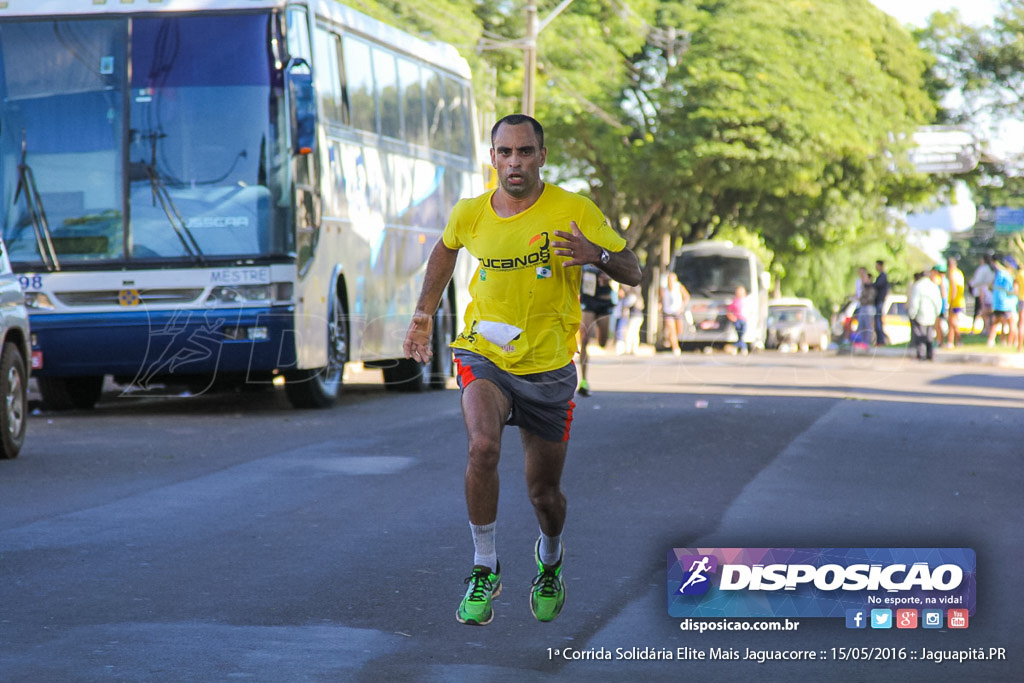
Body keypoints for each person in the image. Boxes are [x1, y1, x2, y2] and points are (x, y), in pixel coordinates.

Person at [402, 114, 641, 626]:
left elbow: (634, 271)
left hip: (549, 366)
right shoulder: (471, 213)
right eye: (505, 152)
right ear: (492, 157)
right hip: (483, 352)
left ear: (542, 156)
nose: (515, 162)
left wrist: (594, 254)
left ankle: (550, 559)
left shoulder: (573, 210)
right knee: (482, 445)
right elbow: (445, 250)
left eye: (525, 152)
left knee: (543, 493)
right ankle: (484, 567)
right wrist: (423, 317)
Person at [577, 264, 615, 396]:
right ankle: (584, 380)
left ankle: (601, 336)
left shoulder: (604, 250)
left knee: (603, 343)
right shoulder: (579, 250)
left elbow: (617, 270)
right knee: (585, 339)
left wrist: (609, 276)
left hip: (604, 299)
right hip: (588, 299)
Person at [908, 270, 942, 361]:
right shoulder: (933, 286)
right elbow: (938, 301)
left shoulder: (918, 286)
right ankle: (930, 353)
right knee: (929, 335)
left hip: (921, 314)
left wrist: (912, 313)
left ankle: (922, 354)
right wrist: (937, 312)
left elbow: (915, 301)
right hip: (931, 314)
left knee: (921, 335)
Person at [987, 254, 1018, 348]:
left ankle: (991, 341)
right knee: (1011, 324)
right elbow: (1013, 290)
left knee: (995, 323)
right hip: (1007, 304)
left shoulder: (999, 274)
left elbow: (990, 286)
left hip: (997, 303)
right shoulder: (1008, 276)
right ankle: (1011, 342)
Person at [660, 272, 689, 356]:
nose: (670, 282)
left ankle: (671, 339)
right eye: (669, 280)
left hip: (677, 311)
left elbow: (687, 297)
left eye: (672, 280)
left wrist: (682, 307)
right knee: (671, 329)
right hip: (668, 312)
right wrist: (660, 305)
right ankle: (675, 348)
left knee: (679, 331)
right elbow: (661, 299)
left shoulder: (679, 287)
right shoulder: (664, 289)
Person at [614, 282, 645, 355]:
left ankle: (629, 349)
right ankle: (633, 349)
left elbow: (628, 304)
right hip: (635, 316)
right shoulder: (634, 297)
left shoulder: (633, 296)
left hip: (635, 316)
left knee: (630, 333)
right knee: (634, 333)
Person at [969, 253, 994, 335]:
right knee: (987, 312)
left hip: (981, 292)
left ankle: (975, 329)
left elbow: (977, 281)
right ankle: (986, 329)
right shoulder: (992, 269)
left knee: (979, 312)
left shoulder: (982, 269)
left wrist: (971, 284)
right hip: (989, 293)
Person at [945, 256, 966, 348]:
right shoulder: (959, 273)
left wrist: (951, 302)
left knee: (952, 322)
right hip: (960, 300)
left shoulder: (952, 274)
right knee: (952, 322)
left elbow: (954, 288)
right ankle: (951, 341)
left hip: (955, 302)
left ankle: (957, 340)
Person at [855, 267, 875, 347]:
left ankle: (868, 343)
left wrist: (861, 300)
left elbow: (868, 299)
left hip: (868, 308)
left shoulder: (870, 288)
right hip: (863, 307)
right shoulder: (863, 288)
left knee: (868, 327)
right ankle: (863, 343)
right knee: (861, 327)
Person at [726, 284, 749, 354]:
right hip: (738, 320)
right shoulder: (735, 301)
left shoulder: (746, 300)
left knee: (742, 334)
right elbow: (729, 310)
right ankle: (743, 347)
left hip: (744, 320)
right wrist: (731, 317)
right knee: (740, 334)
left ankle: (735, 346)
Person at [873, 259, 890, 346]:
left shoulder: (883, 276)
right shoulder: (880, 276)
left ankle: (881, 340)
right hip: (878, 301)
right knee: (877, 321)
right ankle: (880, 340)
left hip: (880, 301)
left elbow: (877, 286)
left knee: (878, 321)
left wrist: (870, 284)